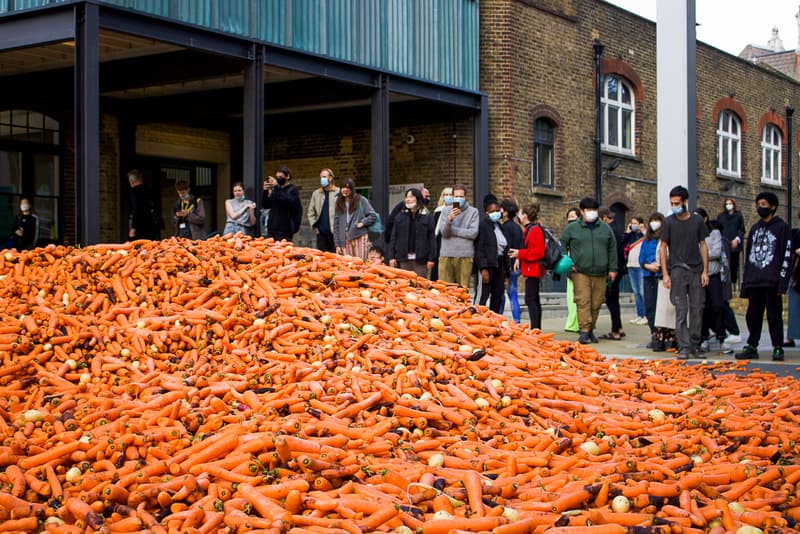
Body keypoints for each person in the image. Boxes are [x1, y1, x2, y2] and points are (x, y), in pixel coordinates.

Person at [736, 192, 792, 361]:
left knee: (774, 315)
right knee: (753, 314)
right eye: (759, 204)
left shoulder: (782, 228)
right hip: (755, 280)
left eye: (764, 204)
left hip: (772, 280)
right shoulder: (754, 228)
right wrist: (746, 282)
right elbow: (749, 257)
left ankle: (777, 346)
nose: (761, 207)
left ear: (773, 207)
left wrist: (782, 282)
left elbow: (786, 255)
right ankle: (752, 345)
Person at [659, 185, 709, 360]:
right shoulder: (668, 222)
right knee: (681, 310)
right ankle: (684, 346)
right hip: (677, 270)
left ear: (686, 202)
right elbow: (663, 247)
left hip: (695, 270)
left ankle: (695, 344)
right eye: (672, 203)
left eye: (677, 203)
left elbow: (703, 245)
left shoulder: (697, 221)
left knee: (697, 308)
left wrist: (705, 271)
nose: (674, 206)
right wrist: (665, 273)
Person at [560, 197, 617, 344]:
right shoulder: (572, 228)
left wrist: (613, 269)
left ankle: (590, 329)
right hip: (580, 271)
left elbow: (612, 249)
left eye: (594, 210)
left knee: (596, 302)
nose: (591, 213)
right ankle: (584, 331)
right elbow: (562, 245)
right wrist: (567, 262)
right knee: (583, 300)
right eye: (588, 210)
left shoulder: (605, 228)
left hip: (601, 272)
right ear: (582, 211)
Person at [693, 208, 731, 353]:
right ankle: (703, 337)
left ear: (705, 218)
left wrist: (701, 254)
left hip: (713, 275)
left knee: (717, 305)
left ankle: (721, 336)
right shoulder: (693, 235)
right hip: (698, 275)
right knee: (702, 307)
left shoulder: (714, 233)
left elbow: (716, 251)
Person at [508, 203, 545, 329]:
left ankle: (535, 328)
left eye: (520, 213)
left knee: (531, 299)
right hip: (531, 268)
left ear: (525, 216)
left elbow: (538, 252)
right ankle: (536, 327)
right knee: (533, 299)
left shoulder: (534, 230)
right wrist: (520, 257)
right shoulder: (530, 229)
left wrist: (520, 254)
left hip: (533, 269)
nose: (518, 216)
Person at [435, 183, 480, 288]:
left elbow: (473, 233)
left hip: (465, 255)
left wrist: (453, 230)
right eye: (456, 196)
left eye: (461, 196)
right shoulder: (446, 210)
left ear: (465, 197)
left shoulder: (473, 212)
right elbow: (444, 233)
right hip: (446, 254)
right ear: (452, 197)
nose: (458, 199)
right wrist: (449, 220)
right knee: (444, 289)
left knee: (463, 290)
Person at [387, 188, 437, 278]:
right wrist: (391, 257)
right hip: (403, 259)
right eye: (406, 197)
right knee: (405, 285)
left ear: (418, 198)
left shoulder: (427, 217)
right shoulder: (400, 217)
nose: (407, 199)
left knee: (420, 285)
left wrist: (431, 258)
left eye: (411, 197)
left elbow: (432, 239)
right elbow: (394, 238)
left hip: (421, 259)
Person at [475, 196, 509, 313]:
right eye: (492, 211)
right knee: (483, 296)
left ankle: (493, 320)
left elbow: (505, 249)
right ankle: (477, 317)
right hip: (488, 265)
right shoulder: (483, 225)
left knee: (497, 296)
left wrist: (506, 273)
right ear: (486, 212)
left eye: (497, 210)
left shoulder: (500, 227)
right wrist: (483, 268)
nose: (495, 213)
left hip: (500, 265)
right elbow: (479, 248)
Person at [333, 178, 378, 262]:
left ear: (352, 189)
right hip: (344, 239)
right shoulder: (338, 202)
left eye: (348, 188)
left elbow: (373, 215)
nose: (345, 190)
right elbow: (336, 225)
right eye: (343, 187)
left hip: (360, 236)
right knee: (348, 266)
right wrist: (337, 245)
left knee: (361, 263)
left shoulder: (361, 200)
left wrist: (362, 222)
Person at [598, 207, 625, 340]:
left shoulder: (610, 230)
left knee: (611, 299)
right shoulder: (618, 227)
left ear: (604, 218)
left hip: (613, 268)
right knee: (614, 298)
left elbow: (610, 250)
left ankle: (615, 330)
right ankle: (619, 327)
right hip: (619, 267)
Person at [640, 212, 665, 350]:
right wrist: (649, 266)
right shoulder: (646, 240)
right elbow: (641, 258)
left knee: (661, 308)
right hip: (648, 276)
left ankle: (664, 335)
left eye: (657, 220)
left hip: (661, 277)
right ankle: (654, 333)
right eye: (652, 221)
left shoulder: (665, 239)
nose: (654, 223)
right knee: (650, 306)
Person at [262, 165, 302, 242]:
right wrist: (265, 191)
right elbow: (266, 205)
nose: (278, 179)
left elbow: (286, 201)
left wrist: (276, 187)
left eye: (280, 177)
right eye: (277, 177)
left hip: (285, 230)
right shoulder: (276, 190)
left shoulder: (293, 190)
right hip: (272, 228)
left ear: (287, 176)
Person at [500, 199, 524, 323]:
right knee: (513, 295)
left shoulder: (504, 227)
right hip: (517, 264)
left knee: (503, 294)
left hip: (508, 265)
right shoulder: (518, 228)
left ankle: (500, 318)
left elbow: (505, 248)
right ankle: (517, 321)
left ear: (505, 212)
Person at [307, 168, 339, 252]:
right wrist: (314, 227)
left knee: (336, 259)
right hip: (321, 234)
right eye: (321, 177)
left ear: (330, 178)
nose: (322, 179)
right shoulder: (316, 193)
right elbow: (311, 212)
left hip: (336, 234)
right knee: (322, 259)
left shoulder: (338, 192)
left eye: (324, 177)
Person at [623, 215, 647, 325]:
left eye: (635, 223)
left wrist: (643, 230)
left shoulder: (644, 235)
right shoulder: (631, 235)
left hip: (640, 266)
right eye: (632, 223)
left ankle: (646, 315)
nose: (633, 225)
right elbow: (623, 243)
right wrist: (627, 232)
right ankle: (639, 314)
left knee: (642, 292)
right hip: (631, 265)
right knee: (636, 292)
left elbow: (650, 241)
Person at [718, 197, 745, 288]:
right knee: (724, 263)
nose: (728, 205)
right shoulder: (721, 216)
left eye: (730, 204)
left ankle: (733, 282)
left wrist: (737, 239)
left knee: (733, 264)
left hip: (734, 244)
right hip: (724, 243)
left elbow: (741, 230)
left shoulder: (738, 216)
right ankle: (724, 282)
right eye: (727, 204)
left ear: (733, 205)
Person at [127, 169, 159, 240]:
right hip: (152, 225)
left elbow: (136, 209)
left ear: (131, 180)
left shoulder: (135, 192)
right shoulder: (150, 190)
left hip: (140, 227)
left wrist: (133, 227)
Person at [563, 208, 581, 333]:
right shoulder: (568, 232)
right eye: (569, 216)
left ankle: (578, 323)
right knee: (570, 298)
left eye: (573, 216)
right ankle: (573, 322)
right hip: (570, 269)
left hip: (579, 268)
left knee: (578, 297)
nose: (570, 219)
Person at [430, 187, 453, 281]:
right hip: (439, 241)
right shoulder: (438, 210)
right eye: (445, 195)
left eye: (450, 194)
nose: (448, 197)